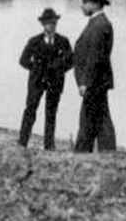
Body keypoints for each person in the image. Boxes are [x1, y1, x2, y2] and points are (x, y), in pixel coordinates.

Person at [18, 8, 73, 150]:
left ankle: (49, 145)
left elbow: (71, 61)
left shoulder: (63, 41)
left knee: (51, 113)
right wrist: (37, 70)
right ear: (43, 24)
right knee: (30, 109)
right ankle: (22, 141)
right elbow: (23, 61)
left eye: (54, 22)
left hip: (55, 82)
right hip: (37, 81)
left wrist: (59, 71)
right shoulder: (34, 41)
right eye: (48, 23)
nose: (52, 25)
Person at [72, 0, 116, 153]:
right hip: (97, 81)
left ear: (96, 4)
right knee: (99, 118)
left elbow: (95, 58)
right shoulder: (97, 23)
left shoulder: (100, 25)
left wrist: (85, 83)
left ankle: (83, 152)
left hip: (95, 82)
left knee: (90, 120)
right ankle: (106, 151)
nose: (82, 5)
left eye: (85, 2)